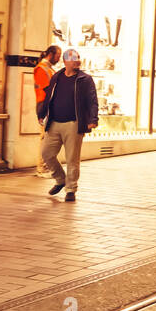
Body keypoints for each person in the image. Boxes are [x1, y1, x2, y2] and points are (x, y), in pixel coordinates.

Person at [38, 47, 99, 202]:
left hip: (74, 123)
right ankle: (60, 179)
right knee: (46, 153)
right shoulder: (57, 77)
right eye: (73, 58)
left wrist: (93, 119)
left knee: (72, 158)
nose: (77, 61)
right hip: (54, 122)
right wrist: (42, 113)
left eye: (78, 58)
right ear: (65, 61)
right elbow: (48, 97)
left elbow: (92, 101)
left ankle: (71, 189)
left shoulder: (85, 79)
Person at [33, 46, 61, 177]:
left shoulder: (48, 68)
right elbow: (46, 90)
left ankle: (45, 166)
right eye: (58, 55)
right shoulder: (42, 68)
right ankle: (42, 168)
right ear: (51, 54)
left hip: (49, 105)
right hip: (44, 105)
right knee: (44, 138)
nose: (59, 58)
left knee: (48, 137)